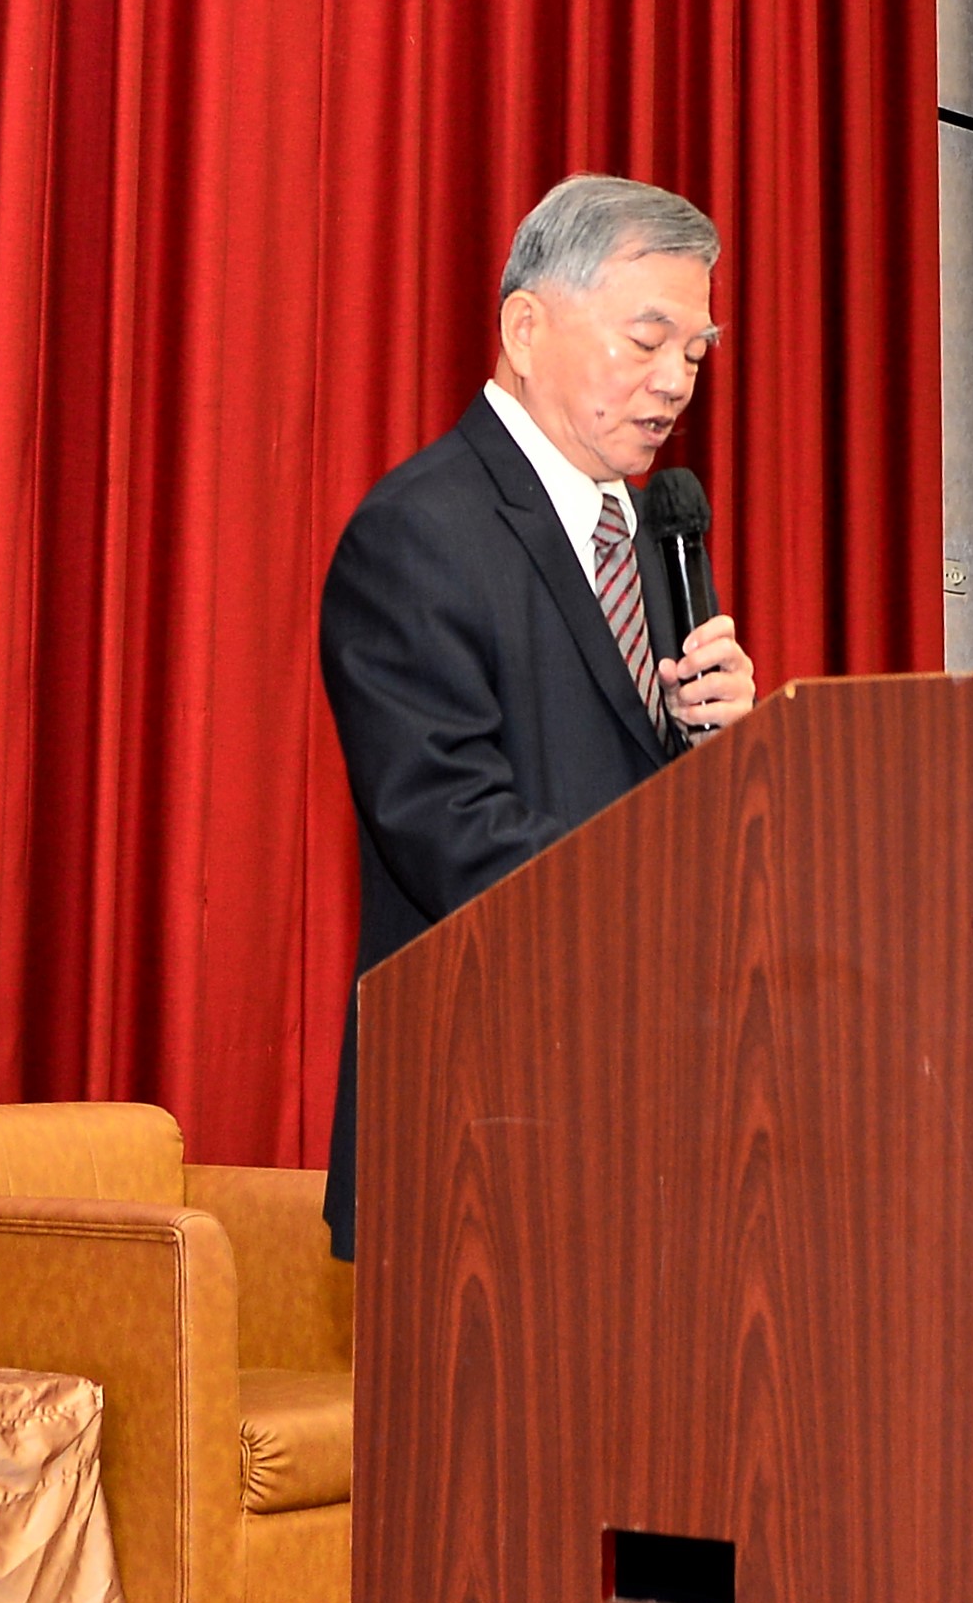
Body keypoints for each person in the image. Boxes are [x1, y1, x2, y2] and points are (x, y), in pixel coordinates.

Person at [314, 176, 760, 1257]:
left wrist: (728, 752)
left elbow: (640, 793)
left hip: (649, 1119)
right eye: (647, 340)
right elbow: (450, 829)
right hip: (483, 1132)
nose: (675, 381)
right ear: (525, 328)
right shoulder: (420, 531)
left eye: (695, 352)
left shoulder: (652, 536)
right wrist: (666, 902)